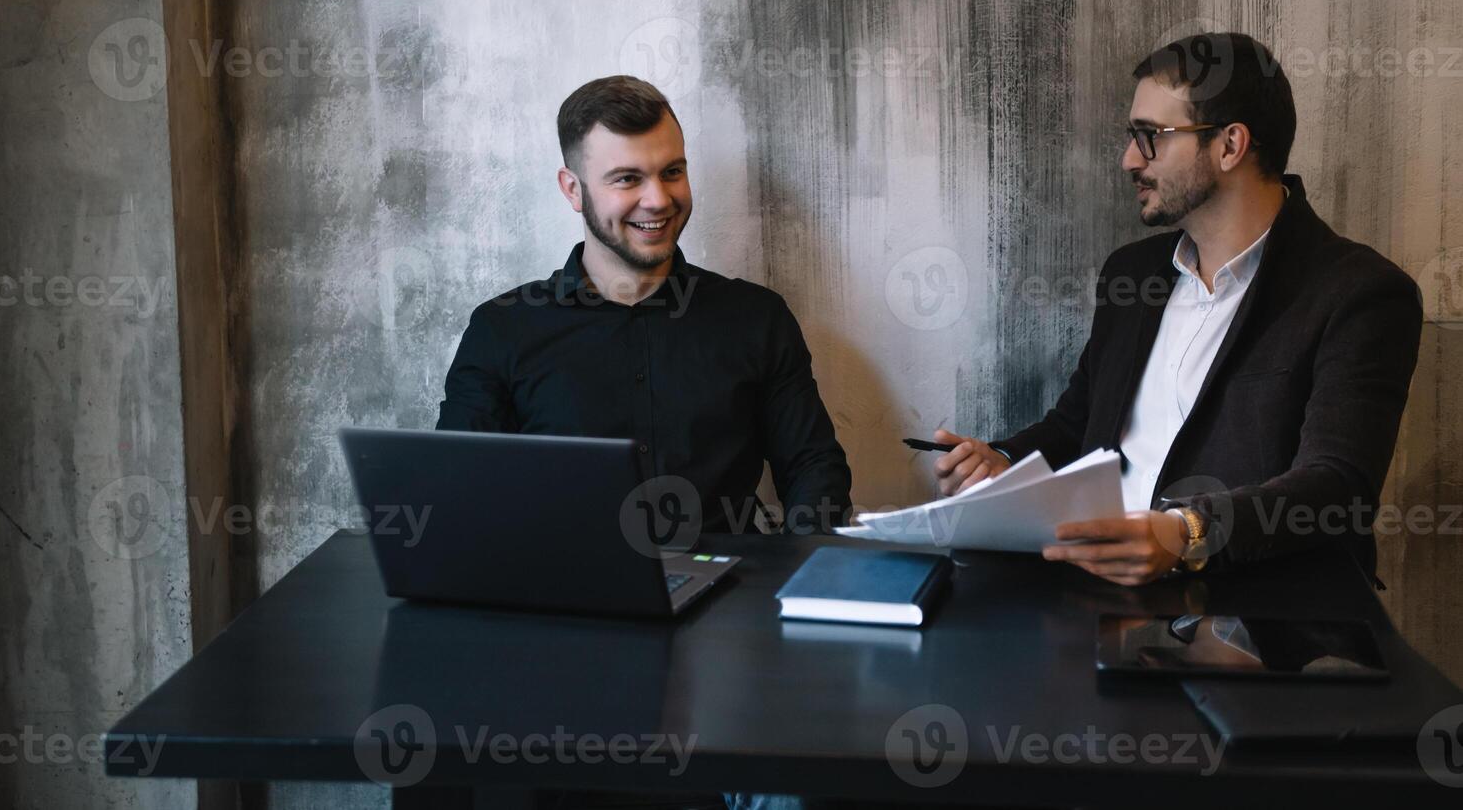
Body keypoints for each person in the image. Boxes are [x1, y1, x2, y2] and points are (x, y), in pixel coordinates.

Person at [931, 33, 1422, 586]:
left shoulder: (1360, 293)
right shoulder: (1131, 275)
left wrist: (1188, 533)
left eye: (1150, 137)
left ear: (1230, 145)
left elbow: (1337, 487)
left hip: (1254, 619)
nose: (1128, 160)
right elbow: (1077, 426)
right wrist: (1003, 465)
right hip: (1093, 598)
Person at [438, 74, 853, 536]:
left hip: (731, 593)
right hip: (566, 599)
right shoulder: (503, 329)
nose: (658, 200)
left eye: (672, 172)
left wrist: (800, 581)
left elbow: (814, 471)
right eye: (628, 179)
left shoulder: (757, 318)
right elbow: (459, 494)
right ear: (573, 190)